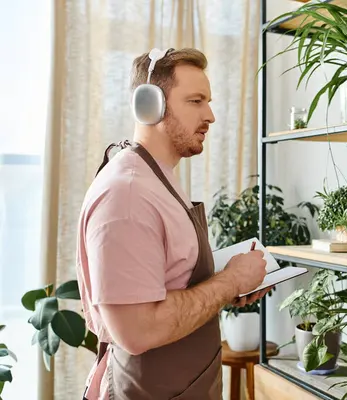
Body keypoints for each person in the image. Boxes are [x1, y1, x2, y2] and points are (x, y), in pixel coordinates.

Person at [76, 47, 270, 400]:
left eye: (208, 101)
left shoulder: (156, 179)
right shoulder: (129, 194)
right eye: (195, 101)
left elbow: (169, 277)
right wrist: (230, 281)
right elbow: (136, 331)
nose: (210, 115)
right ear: (150, 105)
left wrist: (224, 282)